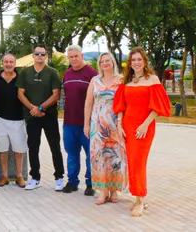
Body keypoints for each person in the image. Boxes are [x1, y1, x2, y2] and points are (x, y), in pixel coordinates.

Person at [113, 46, 171, 217]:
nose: (136, 63)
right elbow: (120, 105)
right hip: (128, 127)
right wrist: (119, 123)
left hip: (144, 127)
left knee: (138, 162)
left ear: (145, 62)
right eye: (133, 60)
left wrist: (145, 124)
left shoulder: (152, 79)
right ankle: (139, 198)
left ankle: (140, 199)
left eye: (139, 59)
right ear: (129, 63)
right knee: (132, 162)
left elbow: (158, 106)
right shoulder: (127, 81)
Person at [17, 44, 65, 191]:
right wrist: (32, 108)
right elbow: (20, 93)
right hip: (32, 116)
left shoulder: (52, 72)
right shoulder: (25, 72)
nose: (39, 56)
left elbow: (56, 94)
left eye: (42, 54)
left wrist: (40, 108)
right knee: (33, 147)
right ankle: (35, 177)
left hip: (49, 115)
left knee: (54, 146)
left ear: (46, 56)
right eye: (37, 53)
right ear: (33, 55)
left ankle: (59, 177)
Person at [83, 51, 128, 205]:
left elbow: (125, 103)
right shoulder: (95, 80)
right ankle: (102, 191)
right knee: (100, 157)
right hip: (98, 125)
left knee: (115, 157)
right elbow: (88, 102)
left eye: (108, 61)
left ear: (113, 62)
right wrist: (86, 124)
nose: (105, 64)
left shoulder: (121, 80)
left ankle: (114, 190)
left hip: (116, 125)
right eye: (102, 62)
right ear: (99, 64)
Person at [61, 45, 98, 195]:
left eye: (76, 56)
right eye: (71, 57)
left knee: (90, 155)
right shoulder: (67, 74)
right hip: (69, 123)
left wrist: (89, 122)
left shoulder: (92, 74)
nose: (74, 59)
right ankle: (72, 182)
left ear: (82, 56)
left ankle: (90, 184)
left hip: (87, 124)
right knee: (71, 154)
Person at [0, 53, 27, 188]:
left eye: (11, 62)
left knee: (19, 150)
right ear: (2, 63)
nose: (8, 64)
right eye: (6, 62)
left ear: (15, 63)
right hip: (0, 119)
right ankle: (4, 176)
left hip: (17, 120)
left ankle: (19, 176)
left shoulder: (20, 79)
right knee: (3, 150)